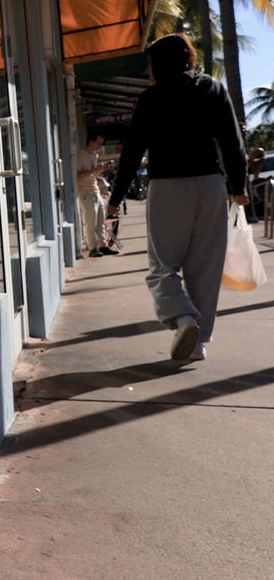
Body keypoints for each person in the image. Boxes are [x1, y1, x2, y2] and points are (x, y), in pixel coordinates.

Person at [107, 33, 249, 363]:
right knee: (205, 268)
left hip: (168, 187)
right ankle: (198, 344)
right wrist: (238, 187)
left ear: (158, 63)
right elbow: (232, 141)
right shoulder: (212, 88)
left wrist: (116, 198)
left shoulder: (151, 98)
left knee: (162, 266)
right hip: (211, 184)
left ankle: (184, 320)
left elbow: (132, 153)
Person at [76, 133, 116, 256]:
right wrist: (94, 171)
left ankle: (103, 246)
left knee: (100, 220)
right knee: (90, 221)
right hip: (85, 192)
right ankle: (92, 248)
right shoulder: (81, 155)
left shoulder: (94, 155)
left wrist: (101, 169)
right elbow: (79, 177)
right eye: (98, 143)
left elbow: (92, 174)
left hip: (95, 190)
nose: (99, 146)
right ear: (90, 141)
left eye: (101, 143)